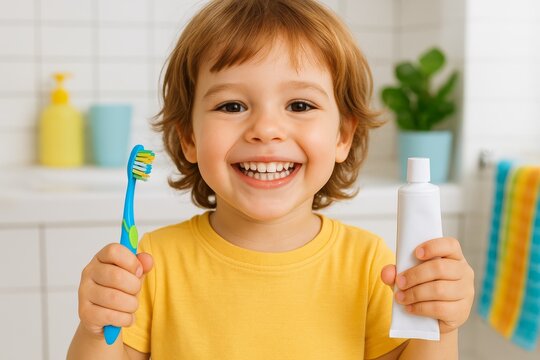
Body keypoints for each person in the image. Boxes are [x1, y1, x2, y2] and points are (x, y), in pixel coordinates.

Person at [67, 0, 474, 359]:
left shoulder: (370, 266)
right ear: (189, 137)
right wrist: (95, 326)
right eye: (231, 105)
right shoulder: (152, 265)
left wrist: (439, 323)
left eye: (299, 104)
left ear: (342, 136)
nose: (266, 129)